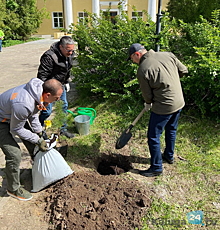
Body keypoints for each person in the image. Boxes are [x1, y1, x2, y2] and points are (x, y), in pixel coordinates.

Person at [127, 43, 188, 177]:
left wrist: (148, 103)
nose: (133, 61)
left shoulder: (143, 69)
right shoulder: (168, 55)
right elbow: (184, 70)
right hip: (179, 101)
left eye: (132, 58)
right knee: (171, 129)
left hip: (164, 106)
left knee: (153, 136)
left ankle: (156, 167)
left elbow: (147, 95)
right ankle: (169, 156)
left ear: (137, 54)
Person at [0, 78, 63, 201]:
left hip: (12, 116)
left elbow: (33, 113)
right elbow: (16, 129)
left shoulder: (38, 91)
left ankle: (38, 169)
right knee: (15, 154)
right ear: (48, 94)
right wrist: (38, 140)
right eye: (57, 98)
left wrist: (39, 132)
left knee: (33, 141)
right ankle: (13, 189)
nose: (58, 100)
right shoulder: (23, 104)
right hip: (1, 121)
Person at [37, 36, 76, 138]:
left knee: (63, 107)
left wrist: (66, 81)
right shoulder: (49, 57)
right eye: (68, 50)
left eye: (72, 50)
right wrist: (46, 93)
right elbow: (42, 76)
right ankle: (38, 130)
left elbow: (67, 70)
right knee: (46, 111)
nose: (71, 53)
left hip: (60, 85)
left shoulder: (69, 55)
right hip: (49, 87)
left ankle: (63, 129)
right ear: (61, 47)